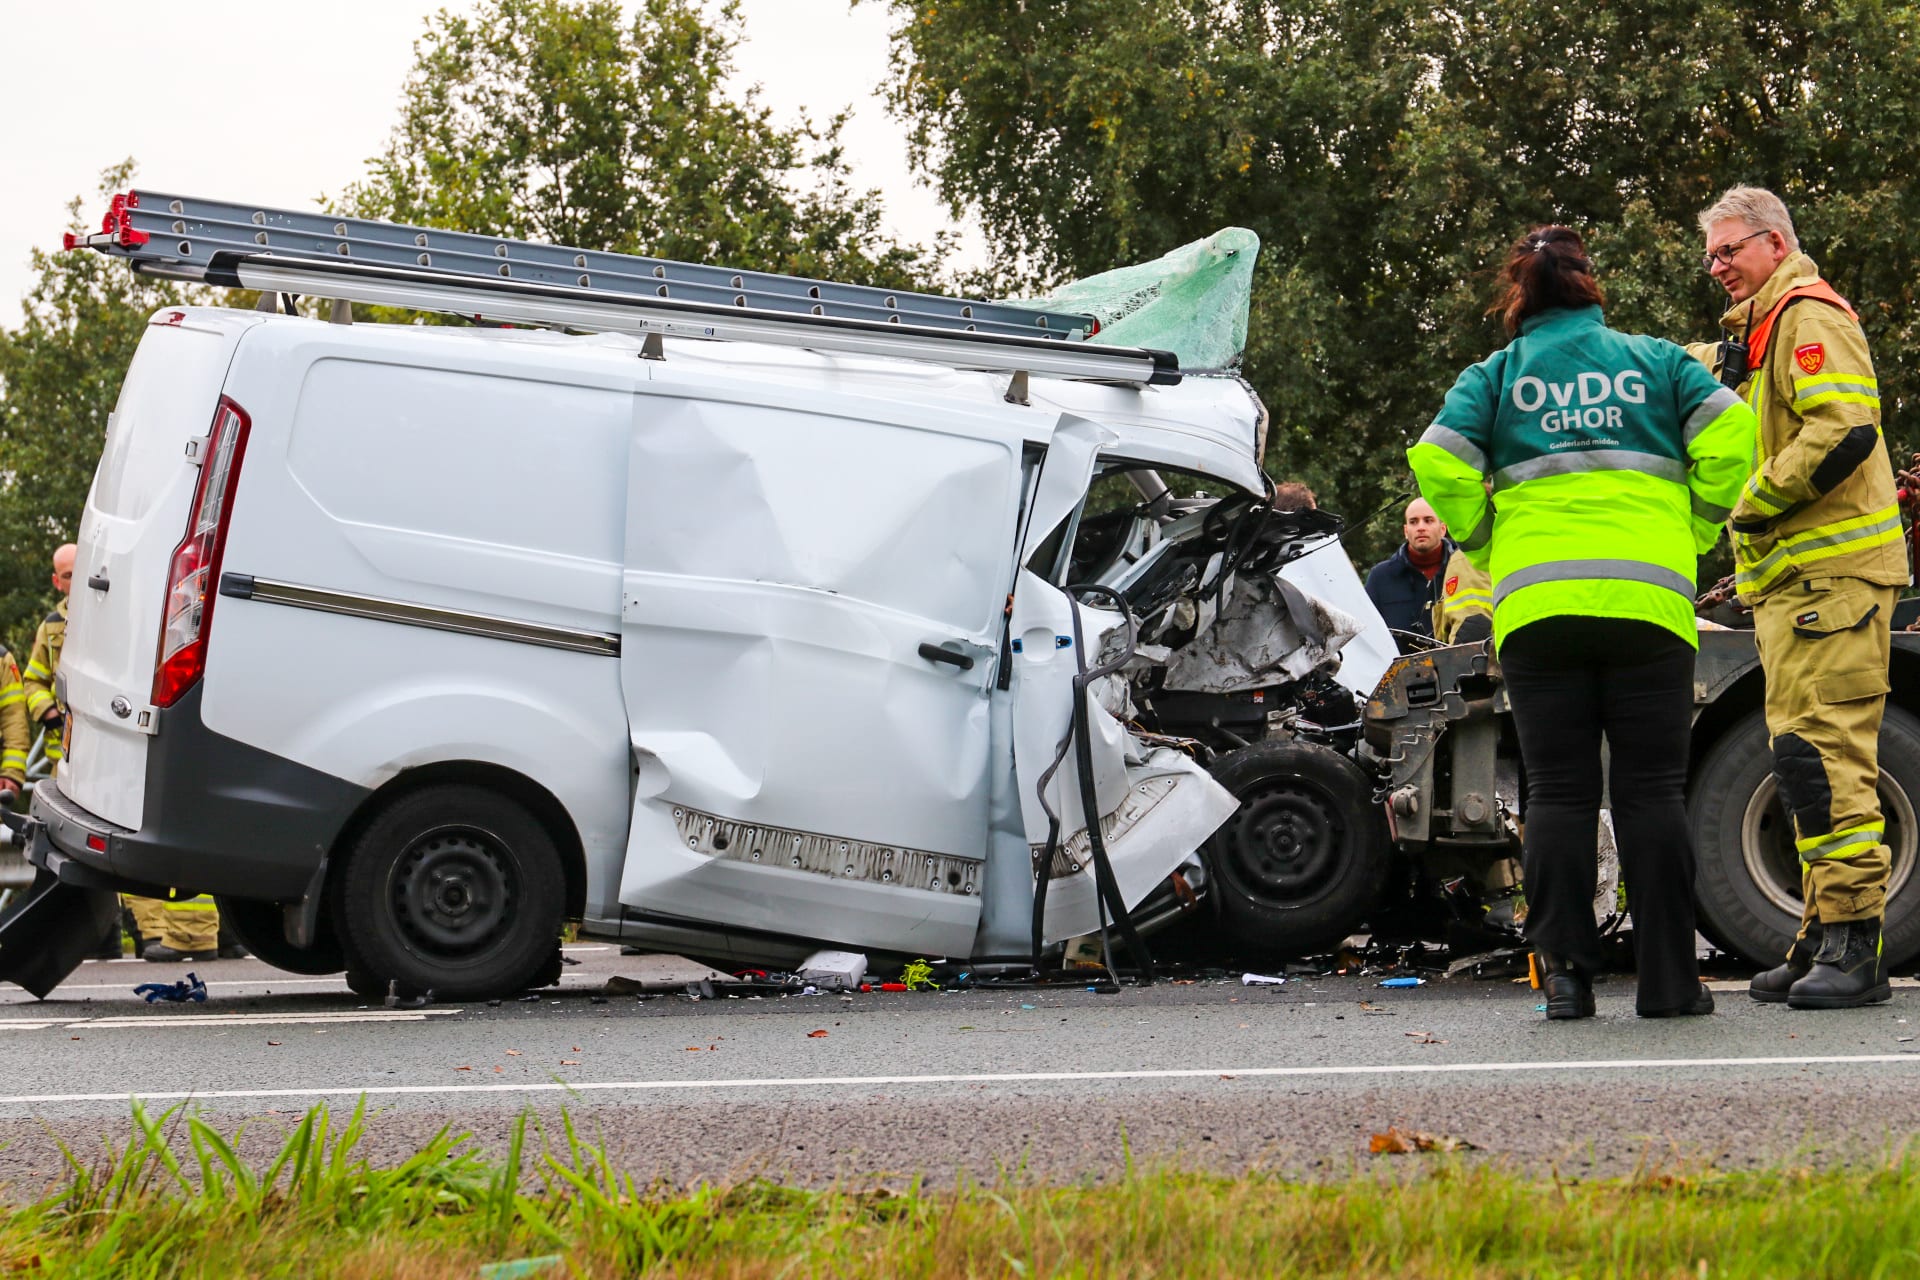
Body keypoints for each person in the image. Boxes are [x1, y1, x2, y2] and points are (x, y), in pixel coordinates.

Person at [1409, 225, 1756, 1020]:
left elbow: (1438, 460)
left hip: (1539, 609)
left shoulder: (1496, 376)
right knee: (1652, 793)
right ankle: (1671, 984)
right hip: (1649, 604)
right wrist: (1697, 525)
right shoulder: (1657, 361)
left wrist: (1487, 538)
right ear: (1590, 284)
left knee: (1559, 793)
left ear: (1518, 294)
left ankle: (1566, 979)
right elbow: (1735, 431)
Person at [1690, 187, 1906, 1009]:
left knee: (1826, 760)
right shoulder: (1763, 330)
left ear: (1774, 243)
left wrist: (1751, 505)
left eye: (1728, 251)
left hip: (1833, 582)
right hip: (1797, 587)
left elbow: (1844, 431)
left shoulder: (1808, 318)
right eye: (1711, 256)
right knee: (1803, 764)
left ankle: (1856, 948)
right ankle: (1826, 933)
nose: (1718, 268)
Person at [24, 543, 231, 962]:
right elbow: (33, 680)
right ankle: (161, 934)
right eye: (65, 575)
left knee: (139, 836)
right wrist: (46, 710)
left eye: (76, 571)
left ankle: (194, 934)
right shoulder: (53, 627)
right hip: (71, 752)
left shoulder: (115, 611)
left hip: (120, 739)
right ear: (57, 580)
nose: (72, 579)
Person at [1364, 498, 1453, 645]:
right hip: (1398, 667)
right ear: (1406, 531)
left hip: (1460, 664)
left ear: (1443, 529)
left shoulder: (1464, 569)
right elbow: (1367, 634)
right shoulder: (1380, 577)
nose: (1421, 527)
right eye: (1413, 522)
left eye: (1428, 520)